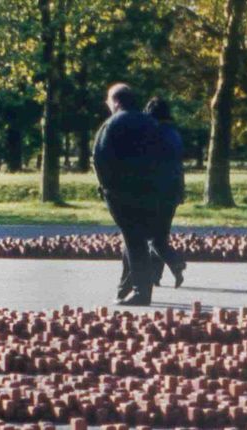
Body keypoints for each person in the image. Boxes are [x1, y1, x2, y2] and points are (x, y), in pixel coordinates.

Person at [93, 83, 176, 306]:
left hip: (123, 193)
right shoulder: (151, 123)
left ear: (116, 101)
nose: (107, 104)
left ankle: (141, 292)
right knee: (133, 240)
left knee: (134, 240)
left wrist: (108, 188)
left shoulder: (111, 125)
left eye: (108, 100)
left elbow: (100, 158)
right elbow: (165, 157)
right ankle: (126, 288)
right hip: (152, 191)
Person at [143, 97, 187, 288]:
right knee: (162, 235)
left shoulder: (152, 134)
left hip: (156, 190)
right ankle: (155, 276)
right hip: (174, 189)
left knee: (152, 237)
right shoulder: (174, 134)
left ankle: (176, 262)